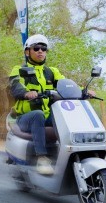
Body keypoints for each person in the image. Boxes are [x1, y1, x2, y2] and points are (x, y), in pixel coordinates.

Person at [8, 34, 95, 175]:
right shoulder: (19, 70)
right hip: (25, 118)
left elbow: (65, 86)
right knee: (38, 114)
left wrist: (83, 92)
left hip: (47, 117)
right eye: (36, 48)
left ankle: (72, 154)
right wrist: (26, 93)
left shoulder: (52, 72)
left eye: (43, 48)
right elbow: (15, 86)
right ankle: (41, 158)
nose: (40, 51)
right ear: (27, 52)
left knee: (67, 116)